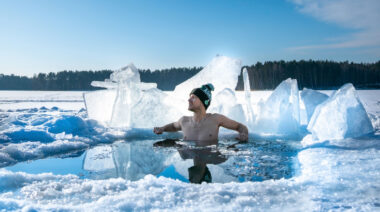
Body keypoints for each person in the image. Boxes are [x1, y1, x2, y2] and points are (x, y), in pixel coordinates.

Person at [153, 83, 248, 146]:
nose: (189, 100)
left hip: (209, 156)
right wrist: (162, 128)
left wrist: (244, 134)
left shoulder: (216, 119)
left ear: (203, 102)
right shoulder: (184, 121)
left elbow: (240, 126)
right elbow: (174, 126)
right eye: (190, 97)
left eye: (193, 97)